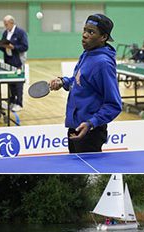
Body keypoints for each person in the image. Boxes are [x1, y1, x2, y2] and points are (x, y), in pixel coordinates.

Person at [49, 14, 121, 153]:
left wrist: (91, 123)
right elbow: (79, 81)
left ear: (103, 37)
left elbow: (114, 104)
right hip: (75, 126)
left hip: (89, 132)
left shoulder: (103, 64)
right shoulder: (87, 53)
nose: (84, 35)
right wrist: (63, 81)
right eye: (84, 30)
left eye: (91, 32)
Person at [0, 15, 28, 112]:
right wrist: (1, 45)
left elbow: (25, 47)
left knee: (18, 82)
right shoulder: (5, 33)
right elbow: (3, 46)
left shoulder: (20, 32)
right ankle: (12, 101)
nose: (5, 26)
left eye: (6, 24)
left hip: (18, 61)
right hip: (8, 60)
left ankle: (19, 103)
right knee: (10, 82)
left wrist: (13, 47)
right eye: (4, 24)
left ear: (11, 22)